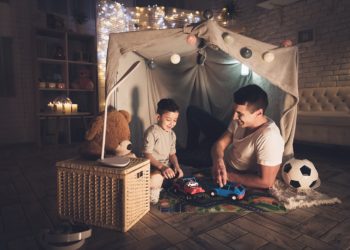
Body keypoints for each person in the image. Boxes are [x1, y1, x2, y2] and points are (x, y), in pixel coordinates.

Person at [211, 84, 284, 189]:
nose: (234, 117)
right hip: (225, 160)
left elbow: (266, 182)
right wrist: (218, 160)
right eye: (235, 111)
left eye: (240, 113)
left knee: (187, 159)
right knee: (194, 112)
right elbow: (220, 144)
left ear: (259, 113)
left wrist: (228, 176)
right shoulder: (239, 121)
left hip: (235, 172)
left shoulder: (269, 137)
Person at [143, 98, 184, 204]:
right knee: (156, 177)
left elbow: (172, 154)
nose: (172, 123)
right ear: (158, 117)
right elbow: (147, 155)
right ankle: (152, 194)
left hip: (166, 167)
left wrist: (177, 166)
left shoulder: (172, 134)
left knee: (181, 175)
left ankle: (164, 186)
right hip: (153, 166)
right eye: (168, 119)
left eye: (175, 120)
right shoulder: (152, 132)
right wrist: (162, 167)